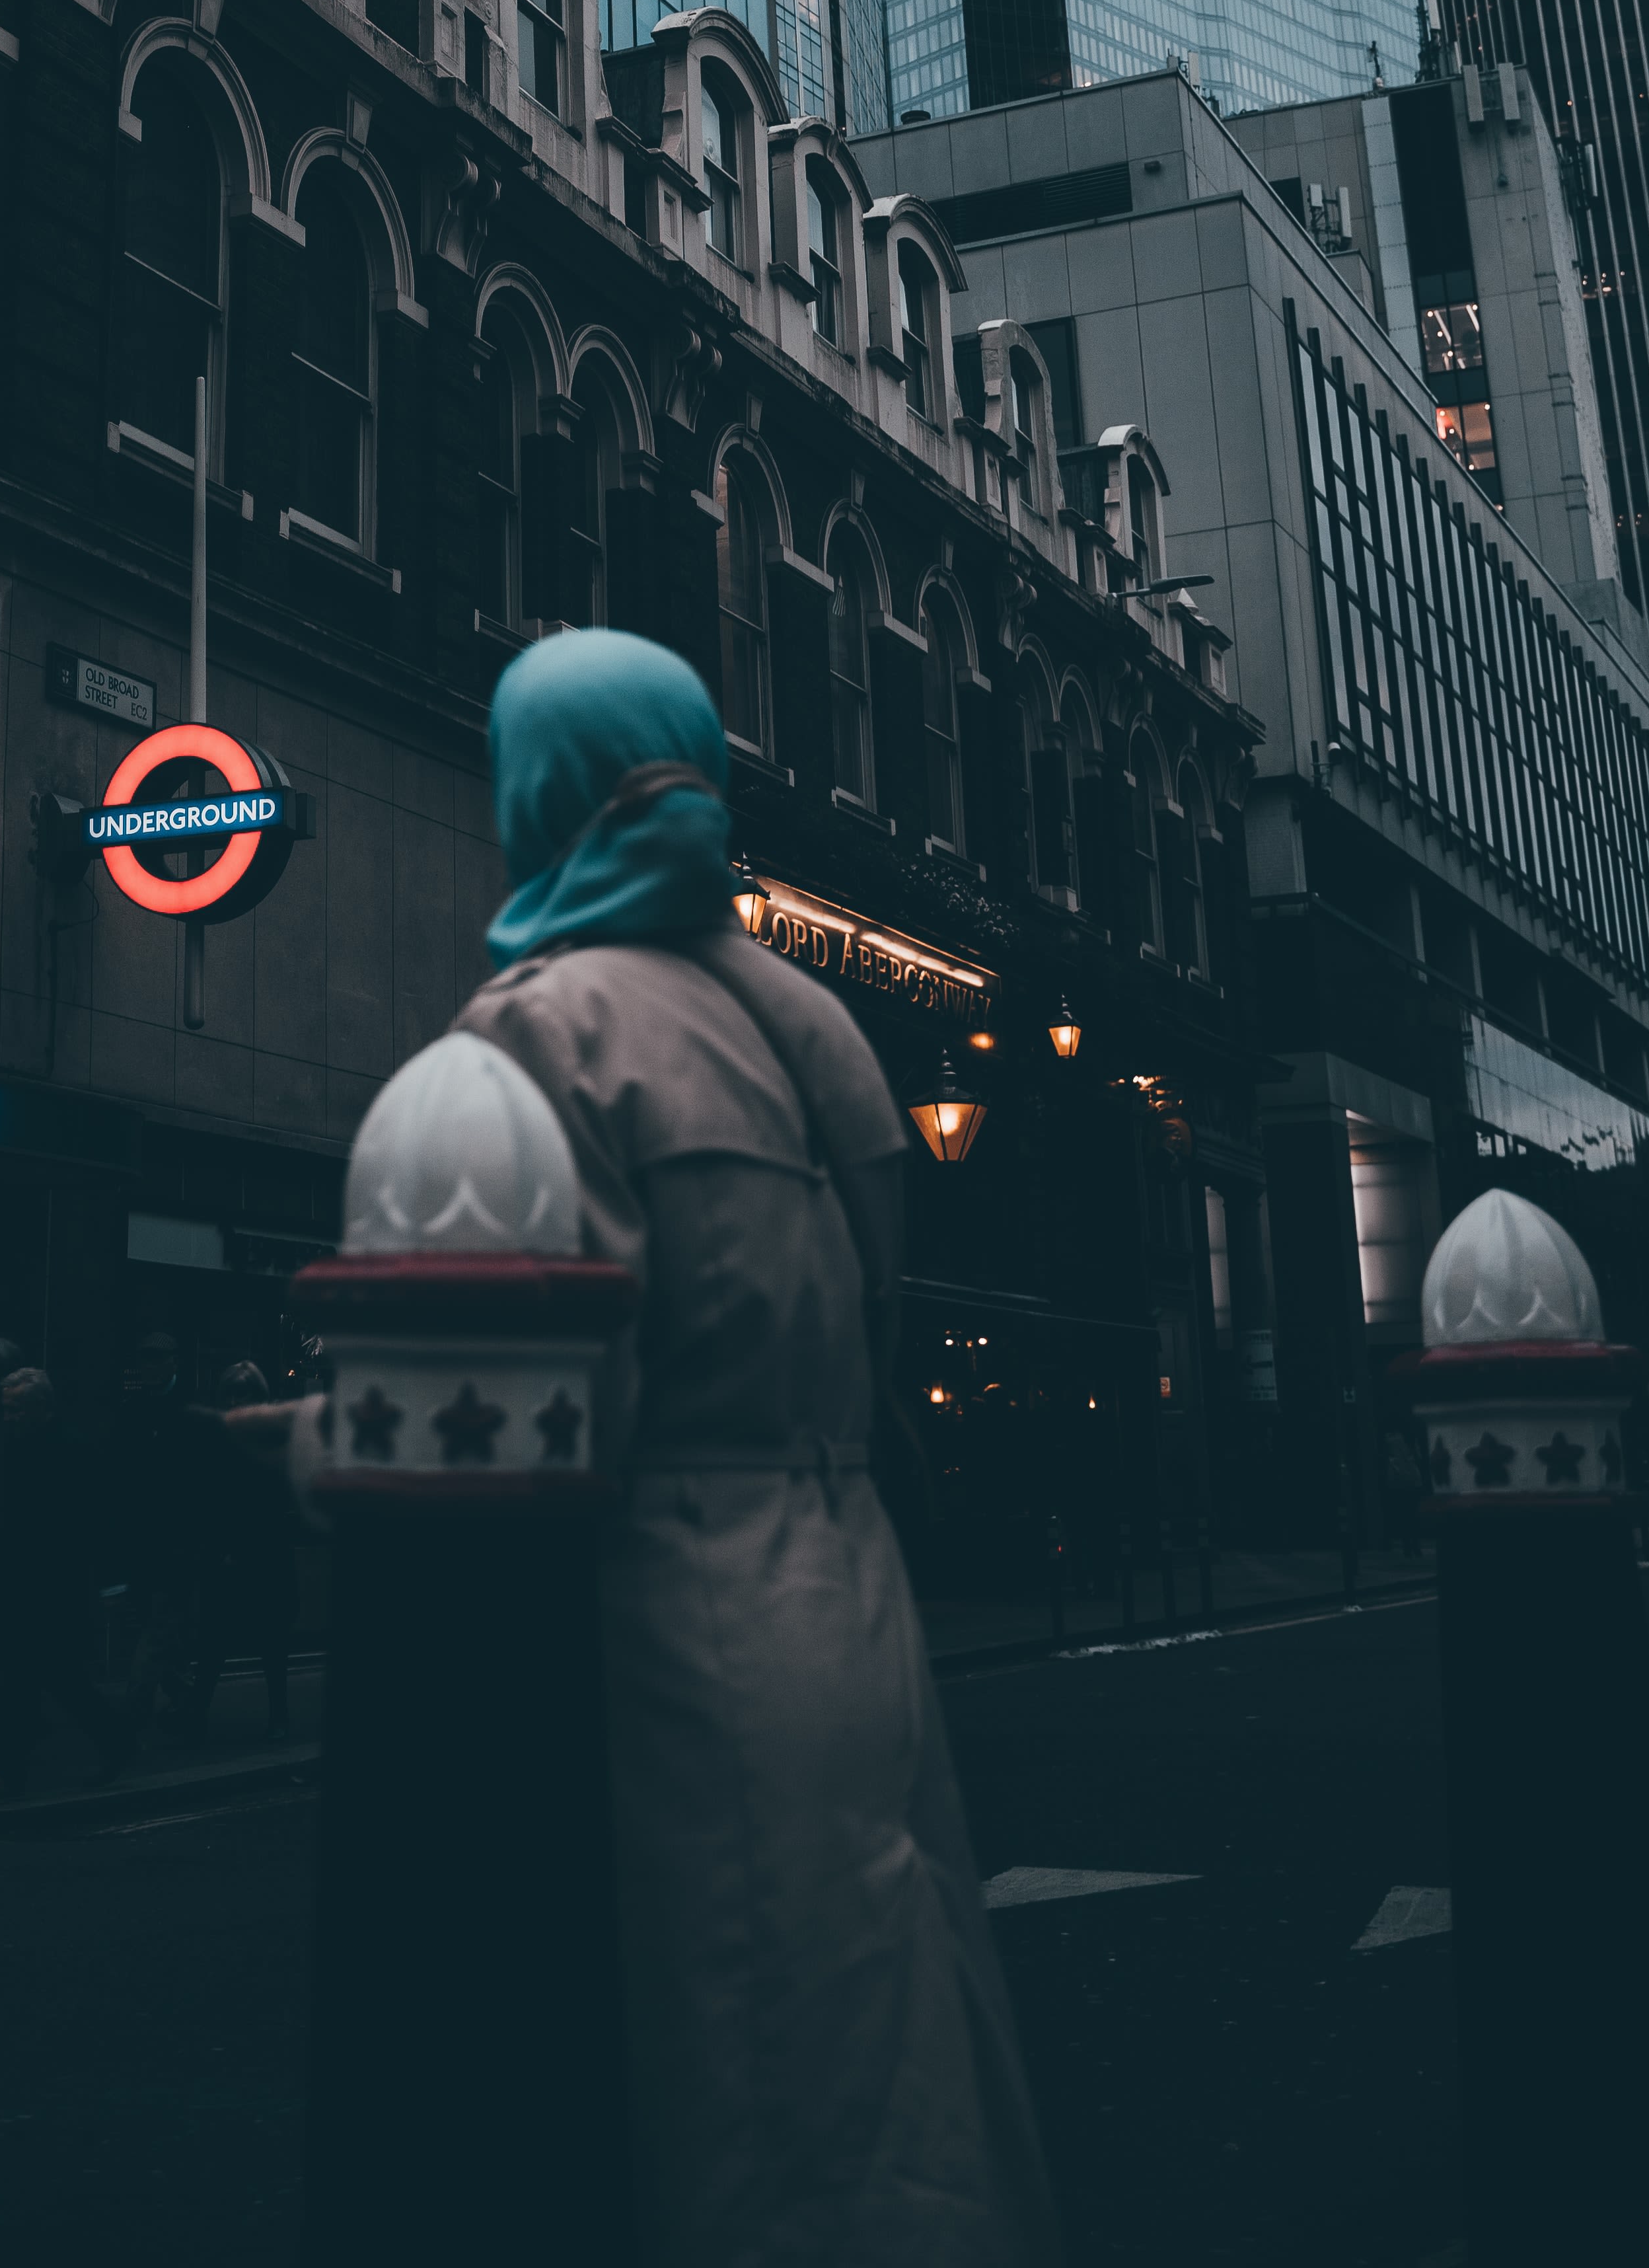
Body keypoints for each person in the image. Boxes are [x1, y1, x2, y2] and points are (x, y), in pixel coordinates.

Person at [455, 628, 1058, 2268]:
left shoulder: (541, 1032)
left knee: (723, 2085)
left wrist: (300, 1448)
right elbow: (862, 1324)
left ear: (538, 784)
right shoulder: (817, 1024)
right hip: (848, 1585)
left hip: (667, 1605)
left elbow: (536, 1407)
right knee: (893, 2032)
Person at [0, 1365, 131, 1798]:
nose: (10, 1417)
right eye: (6, 1410)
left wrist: (110, 1583)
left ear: (43, 1407)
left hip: (51, 1587)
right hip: (18, 1584)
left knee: (23, 1683)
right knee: (55, 1681)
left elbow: (101, 1521)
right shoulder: (11, 1443)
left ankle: (6, 1774)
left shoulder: (71, 1451)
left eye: (18, 1409)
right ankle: (114, 1742)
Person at [182, 1358, 296, 1745]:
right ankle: (197, 1718)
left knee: (271, 1644)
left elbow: (273, 1500)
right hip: (222, 1552)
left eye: (242, 1394)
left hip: (264, 1553)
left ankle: (278, 1717)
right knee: (212, 1643)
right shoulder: (220, 1437)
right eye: (229, 1394)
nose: (234, 1401)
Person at [111, 1325, 198, 1726]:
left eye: (156, 1359)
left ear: (173, 1363)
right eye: (143, 1359)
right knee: (157, 1628)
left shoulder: (191, 1412)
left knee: (155, 1627)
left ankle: (133, 1713)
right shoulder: (131, 1412)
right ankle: (187, 1698)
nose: (147, 1367)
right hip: (140, 1542)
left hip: (176, 1544)